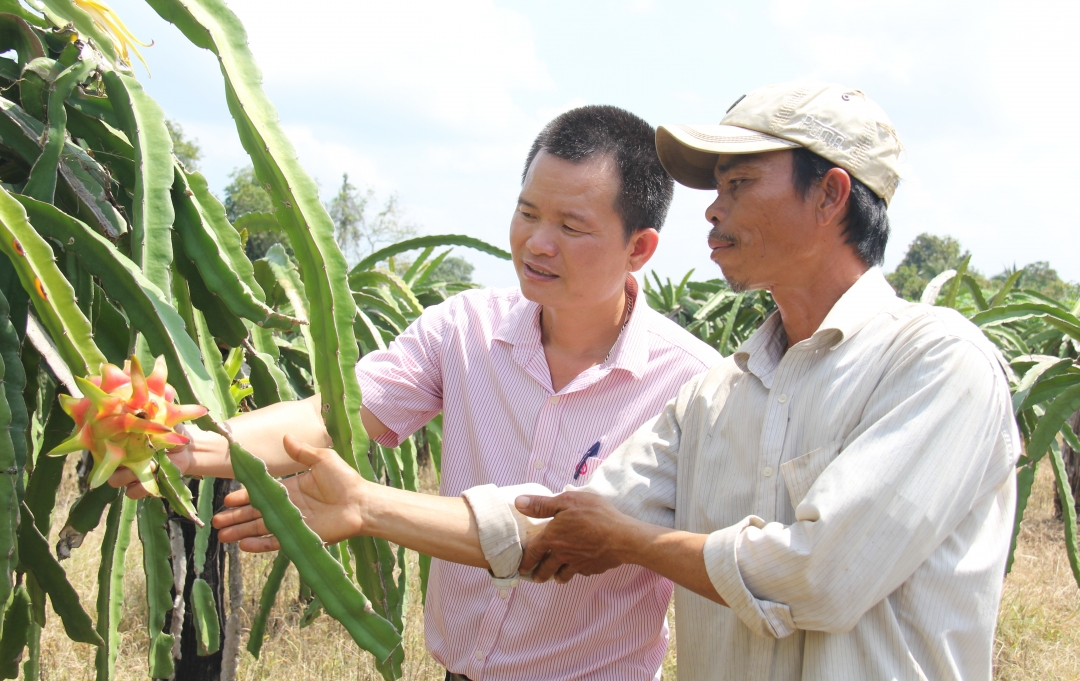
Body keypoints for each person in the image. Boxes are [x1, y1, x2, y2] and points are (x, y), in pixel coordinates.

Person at [215, 81, 1020, 681]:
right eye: (531, 214)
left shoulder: (935, 364)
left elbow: (822, 576)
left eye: (739, 184)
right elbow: (555, 527)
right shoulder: (721, 398)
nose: (710, 211)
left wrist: (636, 544)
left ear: (831, 194)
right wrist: (363, 506)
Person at [114, 105, 721, 680]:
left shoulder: (692, 385)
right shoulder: (465, 329)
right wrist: (188, 446)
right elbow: (337, 415)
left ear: (638, 247)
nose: (537, 242)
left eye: (571, 226)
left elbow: (563, 540)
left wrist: (364, 506)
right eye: (528, 212)